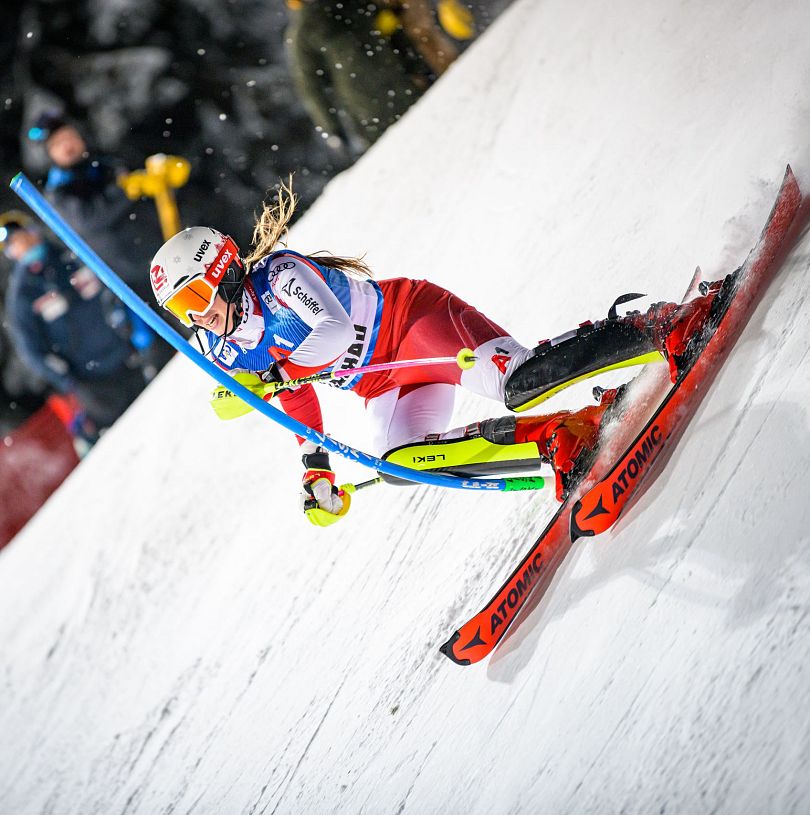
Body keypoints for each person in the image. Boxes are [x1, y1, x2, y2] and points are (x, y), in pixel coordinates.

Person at [149, 181, 722, 525]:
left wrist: (276, 374)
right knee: (398, 464)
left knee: (519, 383)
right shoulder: (230, 347)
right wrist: (316, 469)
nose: (196, 315)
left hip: (414, 326)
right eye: (182, 310)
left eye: (197, 295)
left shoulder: (278, 276)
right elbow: (294, 401)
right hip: (385, 384)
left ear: (223, 274)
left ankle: (651, 327)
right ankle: (557, 439)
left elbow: (328, 330)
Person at [27, 109, 175, 374]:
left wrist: (157, 179)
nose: (68, 145)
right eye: (59, 144)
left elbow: (140, 185)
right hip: (124, 277)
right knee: (158, 344)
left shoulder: (105, 164)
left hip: (157, 253)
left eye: (70, 137)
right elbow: (89, 219)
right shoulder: (59, 192)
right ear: (50, 154)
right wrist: (123, 190)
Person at [2, 211, 148, 445]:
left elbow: (110, 286)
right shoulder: (22, 296)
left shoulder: (69, 254)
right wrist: (68, 380)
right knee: (128, 440)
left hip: (124, 355)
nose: (26, 245)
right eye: (16, 244)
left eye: (25, 236)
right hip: (92, 381)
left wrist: (128, 326)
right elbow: (30, 349)